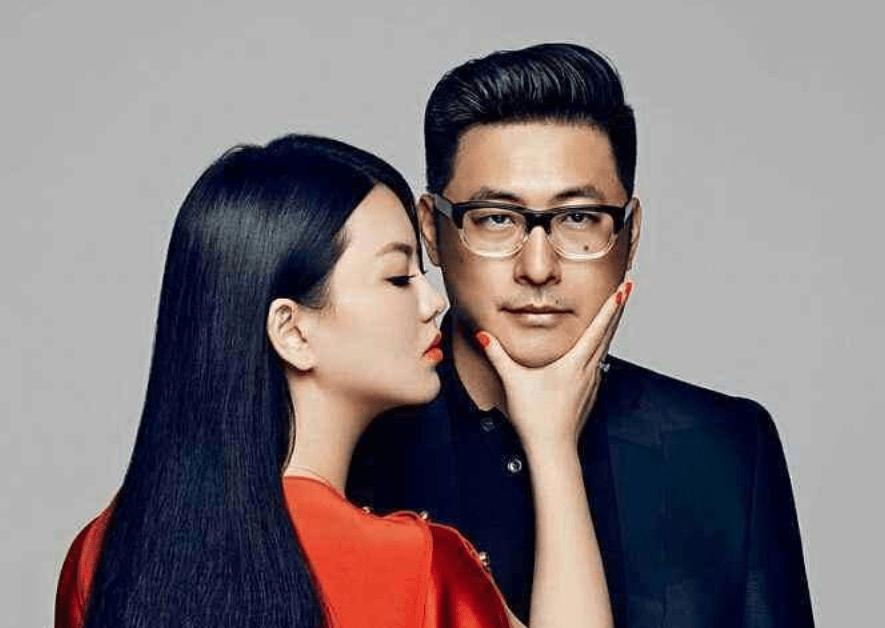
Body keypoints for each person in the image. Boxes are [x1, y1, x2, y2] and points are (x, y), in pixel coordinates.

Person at [55, 133, 620, 628]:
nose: (432, 303)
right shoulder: (414, 564)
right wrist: (551, 445)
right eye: (397, 277)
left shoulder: (100, 553)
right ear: (292, 330)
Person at [347, 43, 815, 627]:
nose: (538, 267)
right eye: (496, 218)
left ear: (630, 233)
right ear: (431, 231)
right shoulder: (353, 439)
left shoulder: (723, 447)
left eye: (577, 218)